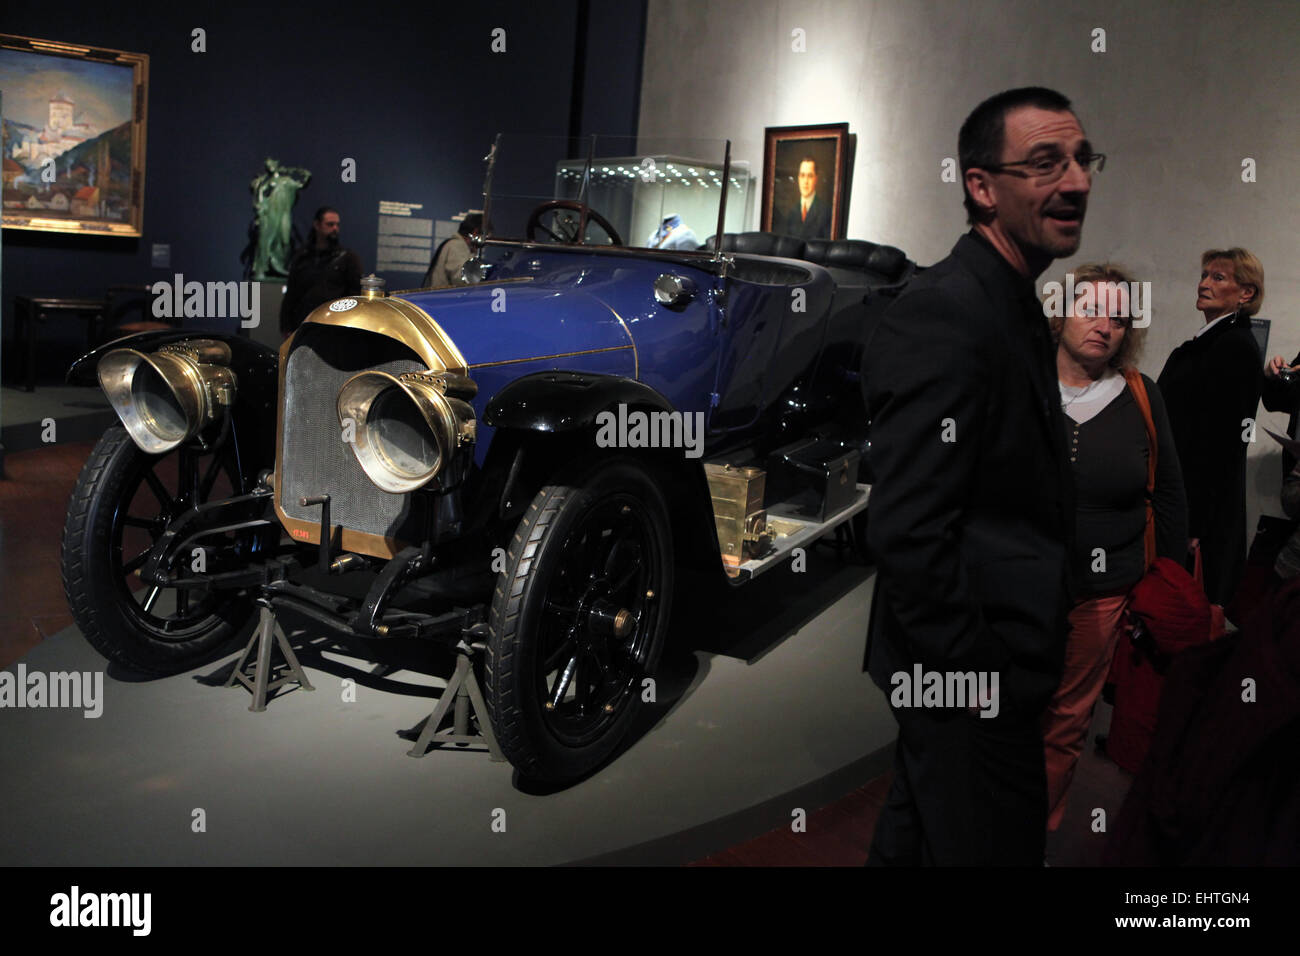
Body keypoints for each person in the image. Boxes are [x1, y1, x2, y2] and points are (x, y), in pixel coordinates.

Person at [863, 86, 1101, 865]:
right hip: (969, 680)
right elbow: (909, 530)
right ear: (980, 186)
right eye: (1045, 163)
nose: (1077, 182)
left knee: (918, 835)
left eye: (1081, 159)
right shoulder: (947, 310)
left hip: (991, 670)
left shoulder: (1011, 302)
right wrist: (975, 680)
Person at [1041, 263, 1187, 833]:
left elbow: (1169, 491)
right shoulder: (1021, 383)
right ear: (1062, 312)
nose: (1105, 326)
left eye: (1119, 319)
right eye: (1092, 309)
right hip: (1019, 586)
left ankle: (1037, 836)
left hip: (1103, 593)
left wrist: (1167, 578)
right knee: (1000, 708)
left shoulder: (1140, 396)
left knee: (1067, 721)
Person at [1156, 248, 1265, 606]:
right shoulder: (1208, 345)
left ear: (1245, 293)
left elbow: (1220, 448)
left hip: (1199, 516)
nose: (1203, 284)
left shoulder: (1234, 348)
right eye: (1204, 275)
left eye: (1217, 277)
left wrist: (1195, 524)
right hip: (1183, 504)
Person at [279, 206, 363, 336]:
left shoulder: (348, 258)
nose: (335, 228)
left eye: (337, 225)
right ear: (317, 225)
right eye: (330, 224)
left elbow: (355, 296)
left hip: (334, 328)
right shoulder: (302, 257)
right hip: (302, 325)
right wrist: (286, 326)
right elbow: (291, 295)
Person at [774, 157, 831, 239]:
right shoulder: (791, 212)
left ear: (816, 179)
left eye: (810, 176)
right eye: (802, 175)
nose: (805, 181)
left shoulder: (826, 212)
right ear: (798, 178)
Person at [423, 213, 484, 288]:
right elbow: (461, 279)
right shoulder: (458, 246)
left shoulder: (454, 244)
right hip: (445, 298)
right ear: (475, 232)